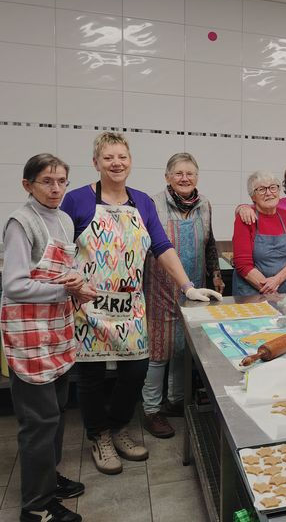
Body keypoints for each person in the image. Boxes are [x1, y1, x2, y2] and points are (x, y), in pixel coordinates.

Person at [60, 132, 221, 476]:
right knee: (91, 376)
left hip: (131, 305)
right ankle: (99, 435)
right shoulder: (76, 201)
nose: (116, 163)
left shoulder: (142, 203)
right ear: (96, 163)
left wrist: (188, 287)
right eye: (108, 158)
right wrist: (69, 280)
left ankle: (119, 426)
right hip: (89, 305)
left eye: (122, 157)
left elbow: (161, 246)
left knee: (135, 370)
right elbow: (58, 249)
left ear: (130, 161)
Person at [2, 154, 95, 522]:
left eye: (61, 181)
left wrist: (78, 284)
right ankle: (36, 507)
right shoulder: (20, 222)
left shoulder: (63, 219)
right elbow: (15, 284)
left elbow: (64, 270)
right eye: (47, 181)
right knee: (38, 423)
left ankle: (48, 480)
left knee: (55, 415)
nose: (56, 188)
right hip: (28, 338)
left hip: (56, 333)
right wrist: (63, 291)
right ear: (28, 185)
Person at [141, 153, 224, 439]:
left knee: (184, 346)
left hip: (196, 288)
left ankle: (176, 400)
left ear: (197, 177)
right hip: (159, 287)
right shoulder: (151, 204)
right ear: (167, 177)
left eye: (190, 173)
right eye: (178, 173)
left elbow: (210, 244)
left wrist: (215, 273)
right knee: (159, 348)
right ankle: (151, 409)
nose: (184, 178)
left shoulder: (205, 205)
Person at [232, 171, 286, 295]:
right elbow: (242, 264)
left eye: (273, 187)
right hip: (253, 293)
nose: (269, 193)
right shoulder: (246, 218)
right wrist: (269, 288)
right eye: (261, 189)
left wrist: (277, 280)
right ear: (253, 196)